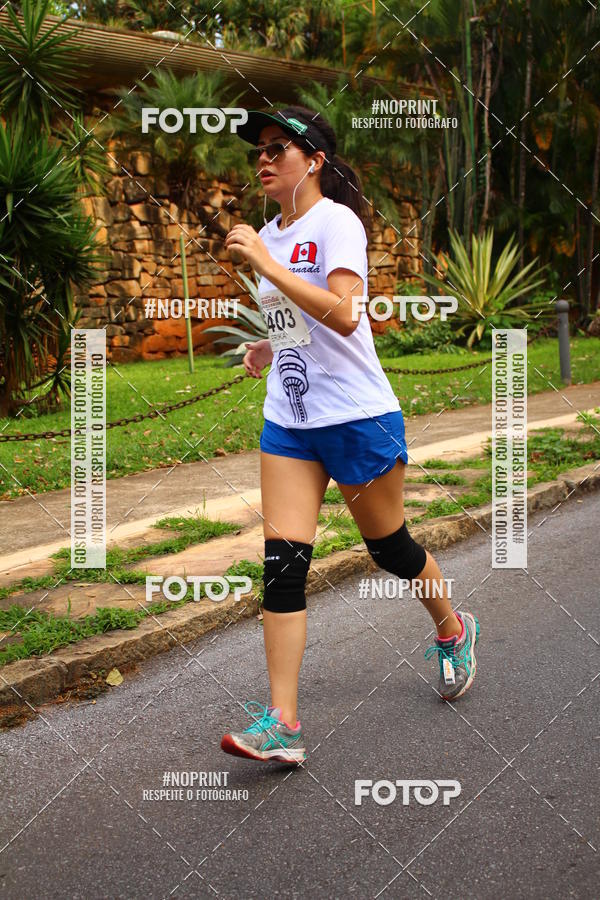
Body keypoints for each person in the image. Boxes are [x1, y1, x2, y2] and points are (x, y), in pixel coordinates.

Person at [220, 106, 480, 765]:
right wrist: (266, 344)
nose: (265, 157)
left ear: (315, 161)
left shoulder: (337, 224)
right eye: (260, 148)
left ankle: (453, 629)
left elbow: (341, 313)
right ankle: (282, 723)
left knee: (390, 548)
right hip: (291, 423)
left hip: (358, 418)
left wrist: (262, 263)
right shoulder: (272, 236)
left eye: (280, 147)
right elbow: (296, 319)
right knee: (282, 568)